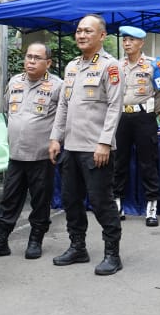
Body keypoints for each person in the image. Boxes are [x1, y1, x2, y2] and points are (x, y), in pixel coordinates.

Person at [47, 14, 125, 276]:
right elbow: (63, 105)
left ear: (102, 36)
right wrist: (55, 138)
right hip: (71, 148)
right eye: (78, 30)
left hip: (96, 149)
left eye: (87, 31)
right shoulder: (71, 67)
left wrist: (104, 143)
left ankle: (112, 253)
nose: (81, 35)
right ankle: (77, 246)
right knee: (71, 200)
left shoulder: (110, 67)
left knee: (101, 201)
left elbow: (115, 107)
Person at [0, 42, 63, 260]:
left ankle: (35, 239)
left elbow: (62, 120)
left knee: (39, 201)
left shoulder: (57, 86)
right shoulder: (15, 81)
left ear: (49, 63)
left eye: (37, 58)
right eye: (28, 57)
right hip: (16, 155)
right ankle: (0, 241)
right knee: (9, 200)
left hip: (42, 156)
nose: (31, 61)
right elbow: (8, 111)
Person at [112, 25, 160, 227]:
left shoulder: (154, 64)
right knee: (119, 162)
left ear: (141, 43)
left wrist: (155, 110)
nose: (127, 43)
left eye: (131, 40)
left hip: (144, 117)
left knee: (148, 162)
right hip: (122, 118)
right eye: (124, 39)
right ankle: (117, 203)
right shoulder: (117, 65)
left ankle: (151, 207)